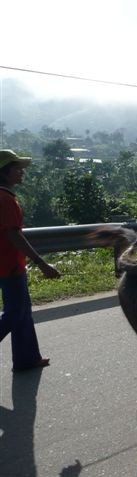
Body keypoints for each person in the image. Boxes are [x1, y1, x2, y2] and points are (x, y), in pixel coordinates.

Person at [0, 149, 60, 372]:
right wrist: (42, 263)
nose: (21, 173)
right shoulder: (6, 200)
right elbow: (13, 234)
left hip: (7, 263)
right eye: (17, 169)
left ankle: (27, 359)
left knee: (22, 311)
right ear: (5, 173)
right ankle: (27, 358)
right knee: (15, 312)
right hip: (9, 265)